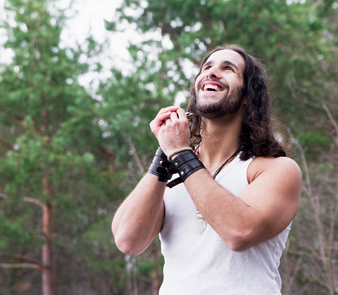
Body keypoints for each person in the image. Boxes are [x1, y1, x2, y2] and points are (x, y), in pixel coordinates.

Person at [111, 44, 302, 294]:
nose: (211, 73)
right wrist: (165, 155)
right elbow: (128, 240)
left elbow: (239, 232)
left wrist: (180, 153)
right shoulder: (173, 171)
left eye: (228, 68)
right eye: (207, 67)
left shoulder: (276, 169)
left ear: (247, 97)